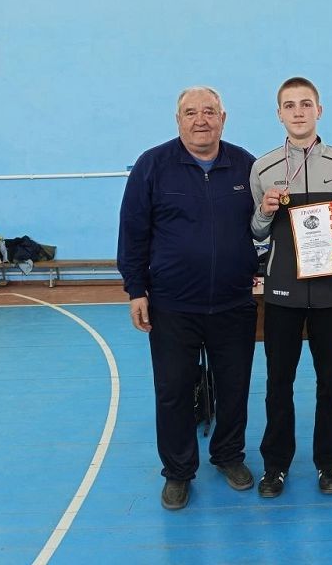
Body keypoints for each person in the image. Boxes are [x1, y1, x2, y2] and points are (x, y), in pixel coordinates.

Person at [117, 87, 259, 510]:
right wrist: (136, 289)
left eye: (209, 112)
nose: (201, 120)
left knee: (234, 387)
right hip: (172, 304)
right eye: (191, 112)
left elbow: (267, 224)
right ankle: (178, 471)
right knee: (173, 391)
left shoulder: (246, 165)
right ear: (177, 119)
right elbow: (133, 231)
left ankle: (228, 455)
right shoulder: (153, 165)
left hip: (234, 302)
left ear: (223, 118)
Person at [250, 77, 332, 498]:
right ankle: (275, 466)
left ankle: (328, 463)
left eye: (306, 104)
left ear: (319, 110)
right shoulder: (263, 167)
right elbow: (255, 230)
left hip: (330, 292)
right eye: (289, 105)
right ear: (279, 114)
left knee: (330, 382)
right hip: (281, 293)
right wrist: (265, 212)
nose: (298, 112)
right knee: (278, 383)